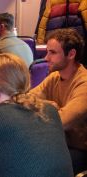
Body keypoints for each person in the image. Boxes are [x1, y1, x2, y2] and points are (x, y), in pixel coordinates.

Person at [30, 28, 87, 175]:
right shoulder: (55, 76)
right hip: (58, 144)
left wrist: (46, 109)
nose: (46, 58)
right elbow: (25, 100)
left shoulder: (84, 83)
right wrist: (49, 105)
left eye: (53, 52)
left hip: (79, 150)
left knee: (34, 166)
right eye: (47, 51)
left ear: (71, 54)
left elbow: (62, 121)